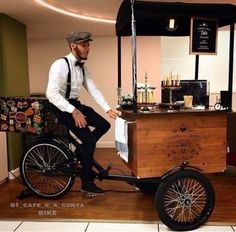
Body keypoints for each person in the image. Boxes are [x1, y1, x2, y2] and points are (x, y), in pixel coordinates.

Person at [46, 31, 119, 194]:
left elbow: (93, 88)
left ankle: (82, 151)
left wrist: (107, 108)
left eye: (88, 45)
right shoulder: (60, 65)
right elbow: (51, 94)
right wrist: (73, 111)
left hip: (75, 105)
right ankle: (87, 182)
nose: (88, 49)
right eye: (84, 45)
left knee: (104, 125)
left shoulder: (82, 67)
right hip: (62, 108)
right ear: (73, 46)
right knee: (90, 142)